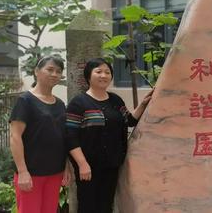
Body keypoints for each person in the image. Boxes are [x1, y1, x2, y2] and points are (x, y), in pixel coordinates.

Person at [65, 58, 152, 213]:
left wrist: (144, 104)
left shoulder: (115, 100)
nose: (103, 75)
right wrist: (82, 164)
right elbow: (70, 137)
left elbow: (129, 120)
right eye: (98, 71)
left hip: (112, 165)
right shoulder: (78, 103)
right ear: (88, 76)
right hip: (88, 167)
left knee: (106, 205)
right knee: (88, 205)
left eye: (107, 72)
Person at [9, 56, 70, 213]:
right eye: (50, 69)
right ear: (37, 71)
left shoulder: (60, 104)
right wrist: (22, 172)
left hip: (55, 172)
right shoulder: (25, 100)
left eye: (58, 71)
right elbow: (15, 137)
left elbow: (63, 138)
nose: (54, 74)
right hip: (31, 173)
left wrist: (66, 167)